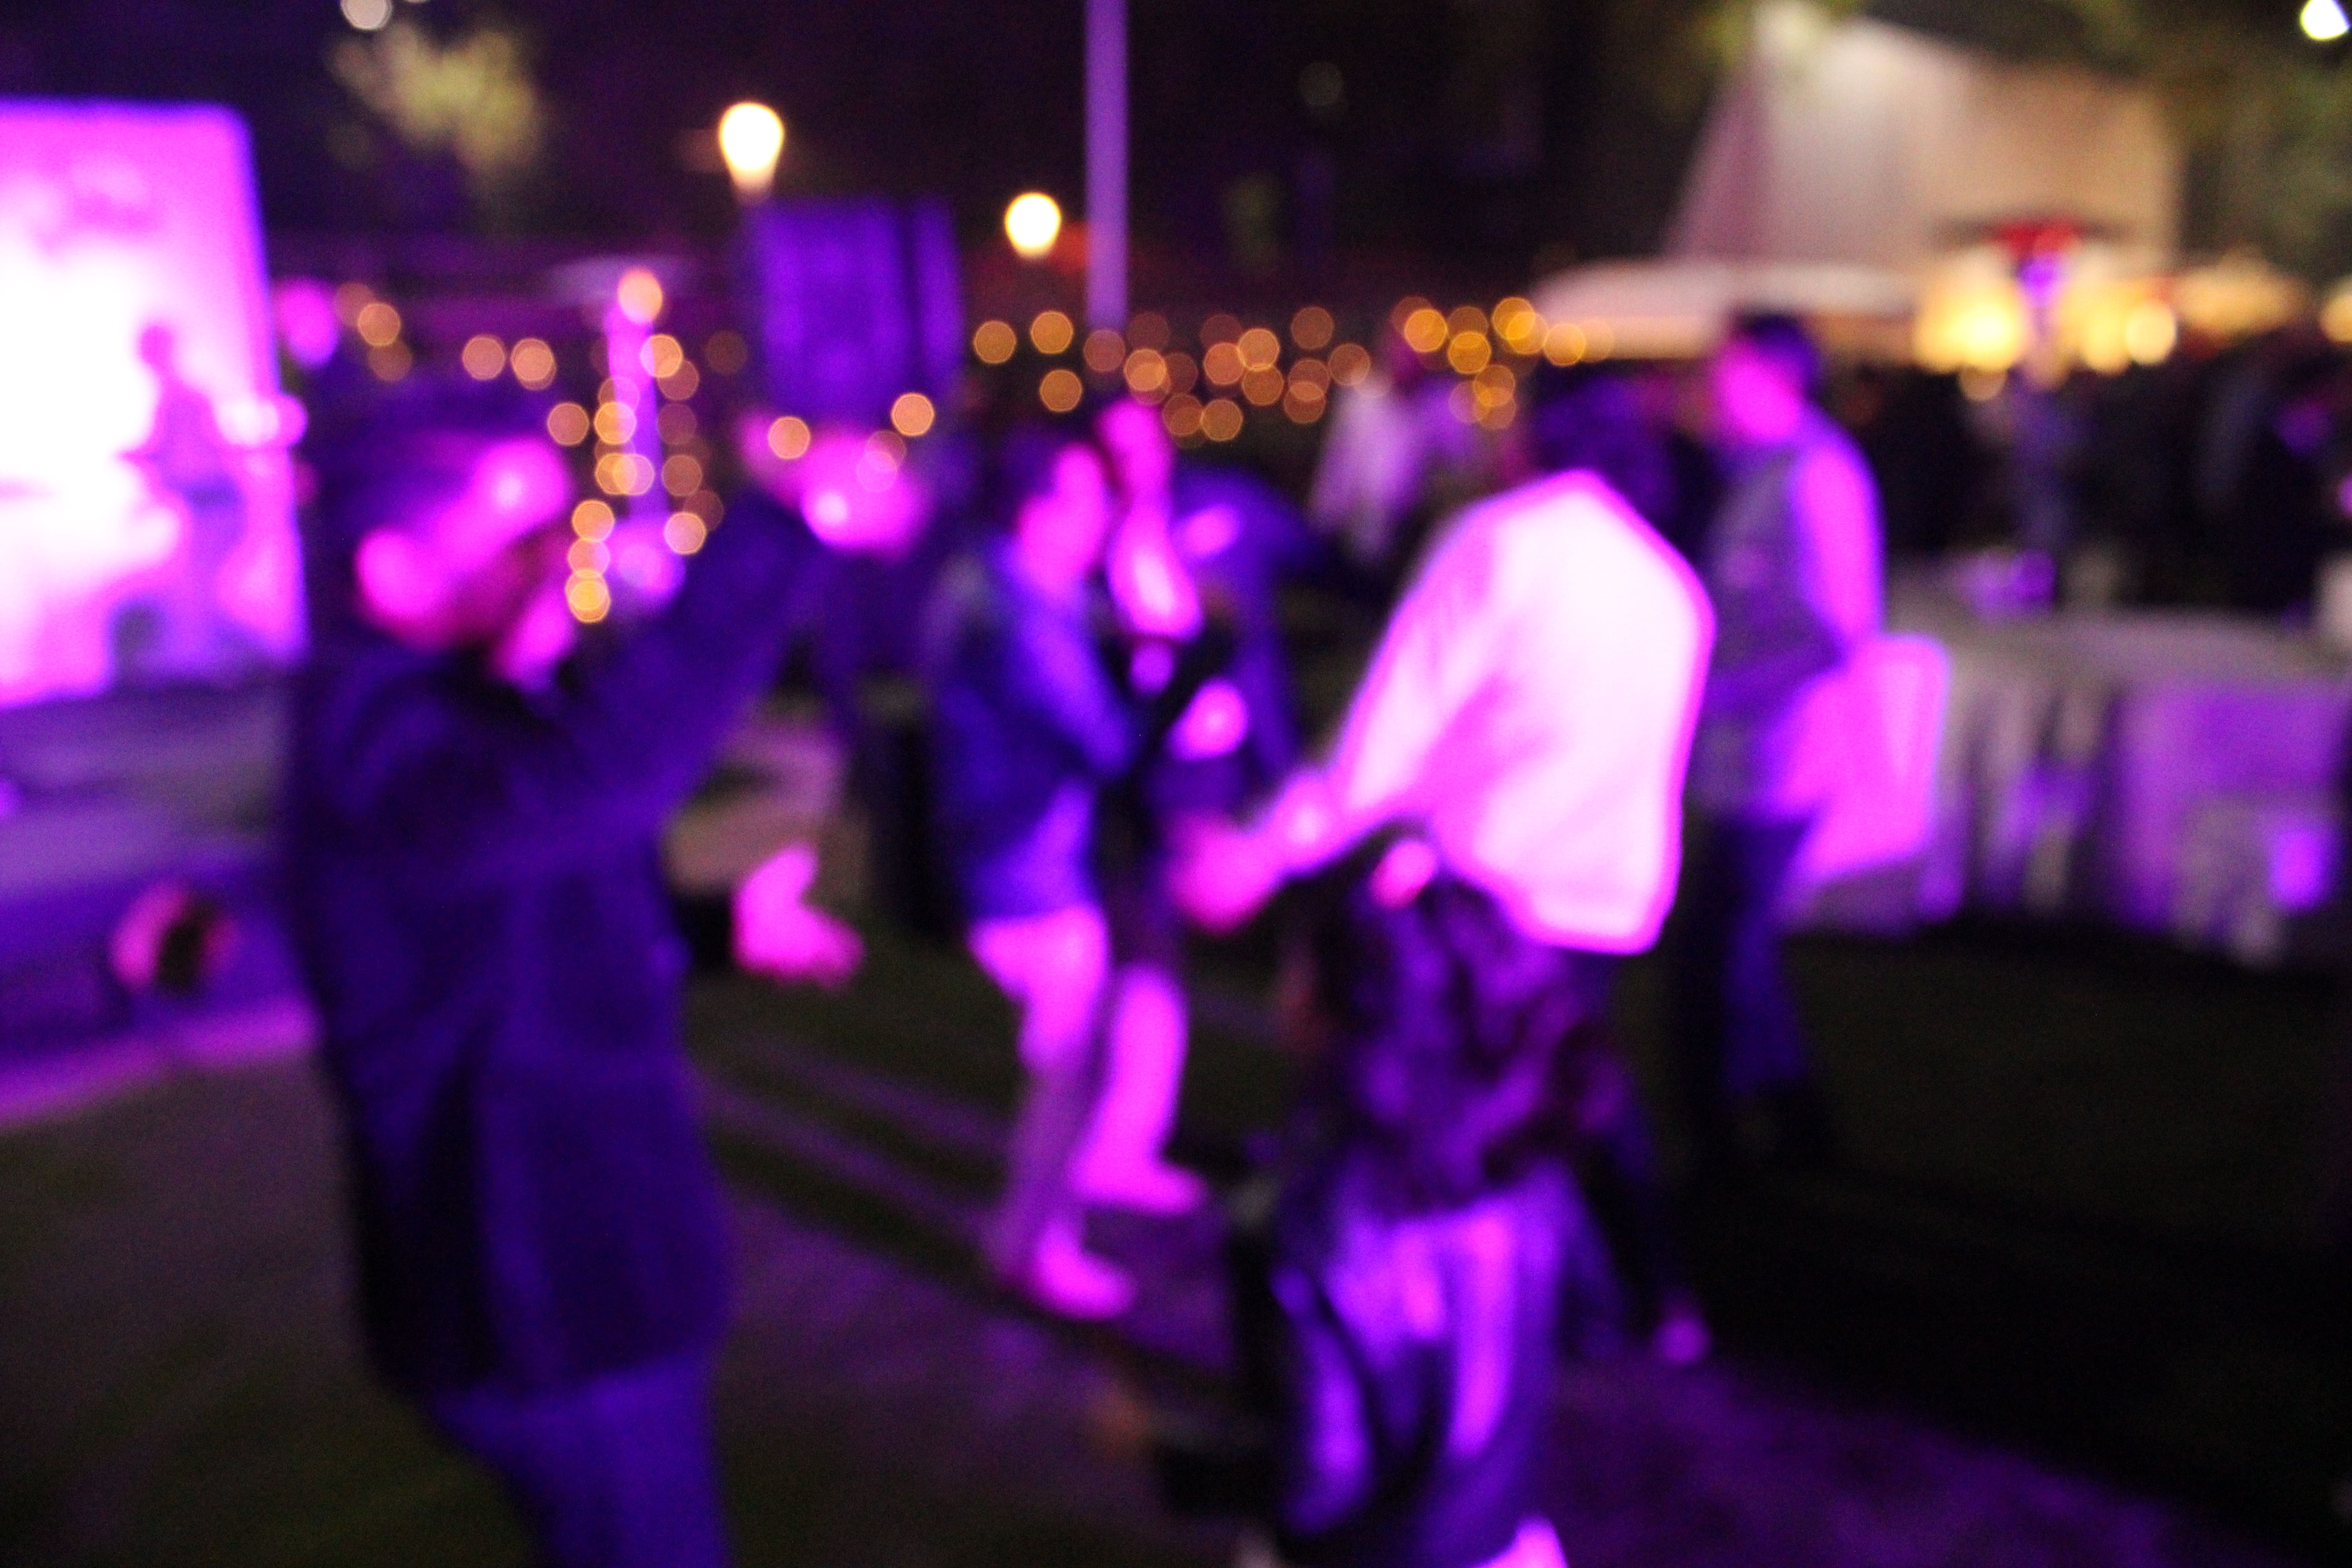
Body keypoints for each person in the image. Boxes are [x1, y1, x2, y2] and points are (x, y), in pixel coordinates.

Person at [285, 374, 865, 1568]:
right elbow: (591, 784)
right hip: (541, 1301)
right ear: (395, 574)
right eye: (525, 538)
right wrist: (780, 530)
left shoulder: (464, 716)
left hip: (572, 1283)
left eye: (570, 527)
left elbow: (516, 908)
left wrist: (708, 929)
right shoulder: (376, 738)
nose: (566, 562)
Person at [1170, 432, 1714, 1567]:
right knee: (1538, 1131)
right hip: (1603, 896)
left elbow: (1388, 735)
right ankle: (1633, 1303)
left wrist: (1270, 850)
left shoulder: (1506, 544)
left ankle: (1373, 1397)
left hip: (1481, 905)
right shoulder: (1671, 583)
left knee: (1400, 1154)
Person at [924, 422, 1226, 1319]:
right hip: (1028, 871)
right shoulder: (1026, 620)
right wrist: (1189, 666)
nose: (1104, 515)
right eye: (1088, 498)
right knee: (1068, 1070)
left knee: (1097, 1042)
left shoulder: (989, 583)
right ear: (1035, 512)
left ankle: (1064, 1211)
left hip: (1009, 856)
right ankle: (1031, 1249)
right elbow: (1108, 743)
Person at [1082, 394, 1314, 1215]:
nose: (1133, 467)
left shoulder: (1222, 504)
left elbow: (1317, 557)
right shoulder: (1090, 538)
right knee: (1152, 954)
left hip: (1249, 757)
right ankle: (1120, 1144)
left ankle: (1310, 1128)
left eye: (1143, 447)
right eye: (1114, 453)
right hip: (1158, 772)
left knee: (1302, 944)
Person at [1670, 312, 1882, 1173]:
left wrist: (1727, 691)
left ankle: (1728, 1133)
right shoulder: (1763, 469)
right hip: (1748, 759)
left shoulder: (1814, 478)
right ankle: (1789, 1125)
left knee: (1717, 955)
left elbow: (1837, 630)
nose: (1709, 389)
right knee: (1735, 951)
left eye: (1725, 372)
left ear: (1773, 377)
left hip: (1784, 759)